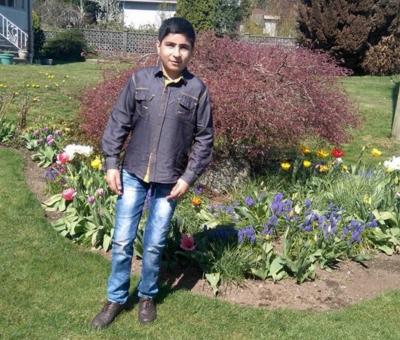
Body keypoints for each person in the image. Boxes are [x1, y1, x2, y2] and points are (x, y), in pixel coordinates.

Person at [91, 17, 213, 329]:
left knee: (155, 243)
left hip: (169, 181)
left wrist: (188, 178)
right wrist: (110, 164)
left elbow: (204, 139)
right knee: (121, 241)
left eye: (184, 47)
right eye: (170, 45)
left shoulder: (197, 91)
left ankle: (147, 295)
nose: (176, 53)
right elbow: (118, 122)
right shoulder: (139, 80)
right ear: (158, 46)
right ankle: (116, 298)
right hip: (131, 172)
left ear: (191, 51)